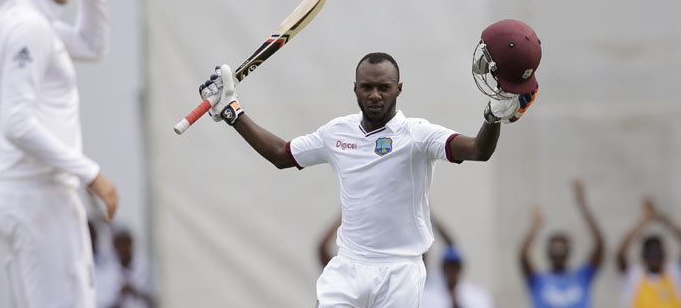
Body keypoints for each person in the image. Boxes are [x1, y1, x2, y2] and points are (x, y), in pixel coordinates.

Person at [198, 20, 540, 307]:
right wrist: (232, 112)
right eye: (367, 87)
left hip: (401, 270)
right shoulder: (336, 133)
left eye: (383, 87)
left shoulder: (417, 134)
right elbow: (280, 154)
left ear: (398, 89)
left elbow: (479, 150)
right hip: (349, 265)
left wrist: (493, 117)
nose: (375, 95)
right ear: (355, 89)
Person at [0, 0, 118, 307]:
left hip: (43, 192)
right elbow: (17, 122)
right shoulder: (27, 26)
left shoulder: (33, 22)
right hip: (32, 193)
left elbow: (93, 45)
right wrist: (91, 174)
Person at [519, 180, 605, 308]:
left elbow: (600, 245)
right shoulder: (538, 280)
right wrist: (535, 227)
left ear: (569, 252)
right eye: (554, 249)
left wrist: (583, 207)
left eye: (562, 249)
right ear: (548, 252)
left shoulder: (582, 276)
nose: (558, 253)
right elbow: (523, 256)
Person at [616, 198, 681, 307]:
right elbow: (621, 253)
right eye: (651, 254)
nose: (655, 258)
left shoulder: (674, 273)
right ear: (643, 256)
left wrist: (662, 218)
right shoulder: (635, 277)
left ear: (664, 254)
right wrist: (644, 221)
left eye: (658, 253)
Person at [421, 218, 494, 308]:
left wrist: (431, 218)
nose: (451, 271)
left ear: (460, 268)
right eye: (448, 267)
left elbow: (451, 242)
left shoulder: (476, 295)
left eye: (455, 267)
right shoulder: (430, 295)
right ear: (443, 268)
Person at [96, 228, 157, 308]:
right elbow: (102, 304)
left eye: (125, 244)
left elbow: (156, 300)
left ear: (131, 244)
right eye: (119, 245)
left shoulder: (147, 266)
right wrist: (120, 296)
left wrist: (136, 291)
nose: (123, 249)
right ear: (114, 247)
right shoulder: (106, 271)